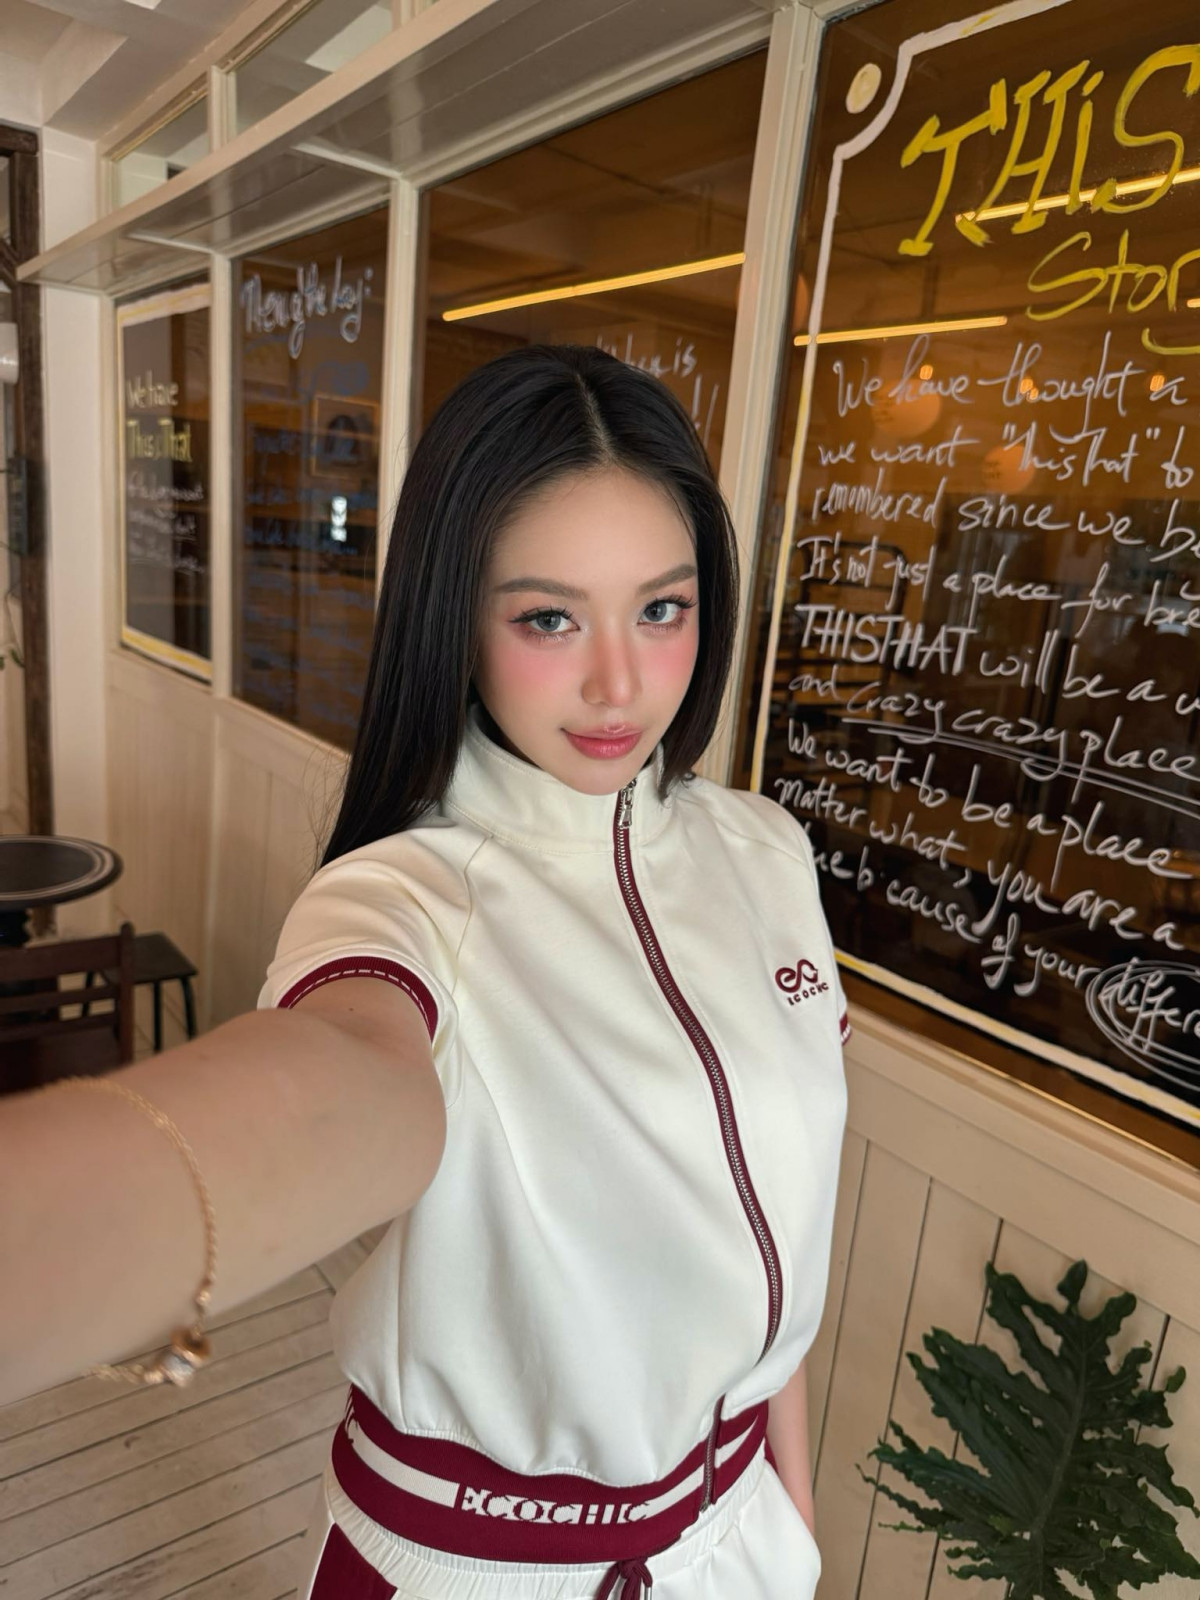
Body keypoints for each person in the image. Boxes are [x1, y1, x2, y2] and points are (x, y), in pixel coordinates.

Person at [0, 344, 849, 1599]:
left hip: (735, 1546)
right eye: (549, 617)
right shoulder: (404, 901)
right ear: (457, 618)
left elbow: (773, 1207)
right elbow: (343, 1078)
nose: (619, 682)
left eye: (661, 609)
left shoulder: (765, 854)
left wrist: (789, 1514)